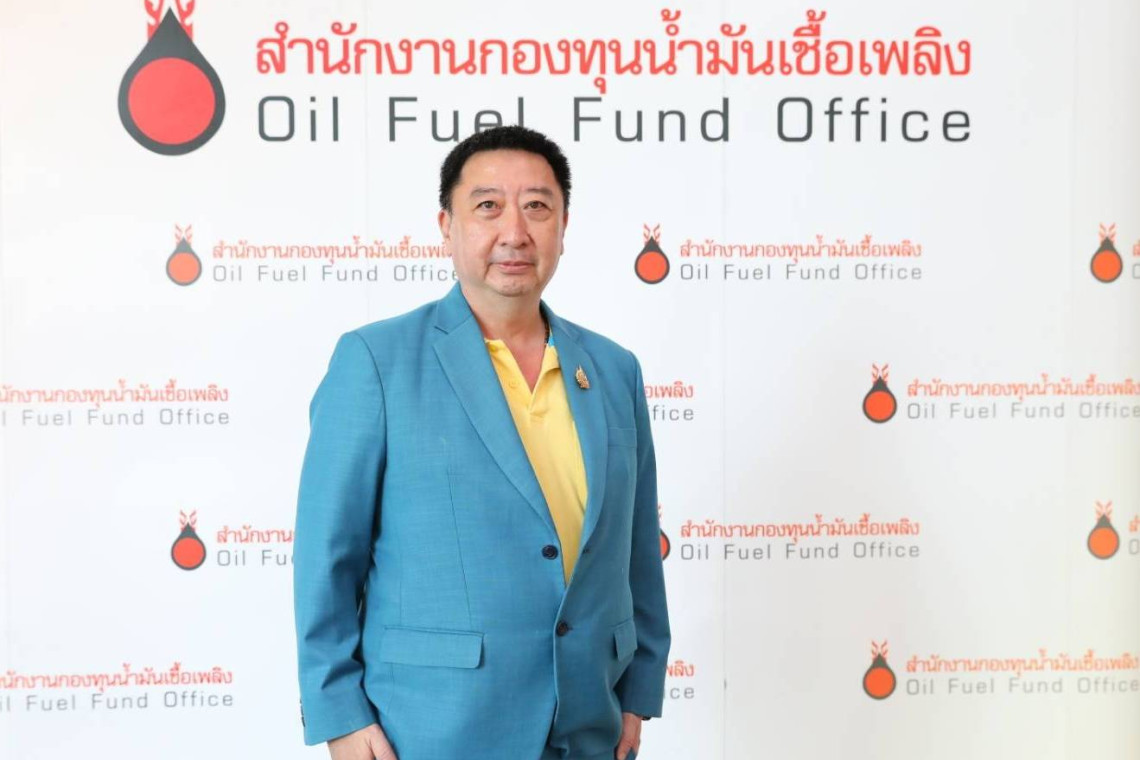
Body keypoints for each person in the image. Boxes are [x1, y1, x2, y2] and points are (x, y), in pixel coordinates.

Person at [293, 125, 670, 760]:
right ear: (447, 226)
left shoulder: (613, 370)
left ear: (563, 226)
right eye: (488, 206)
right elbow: (327, 559)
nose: (514, 232)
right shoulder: (376, 361)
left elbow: (635, 554)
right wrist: (340, 716)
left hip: (589, 726)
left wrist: (639, 691)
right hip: (431, 729)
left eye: (537, 206)